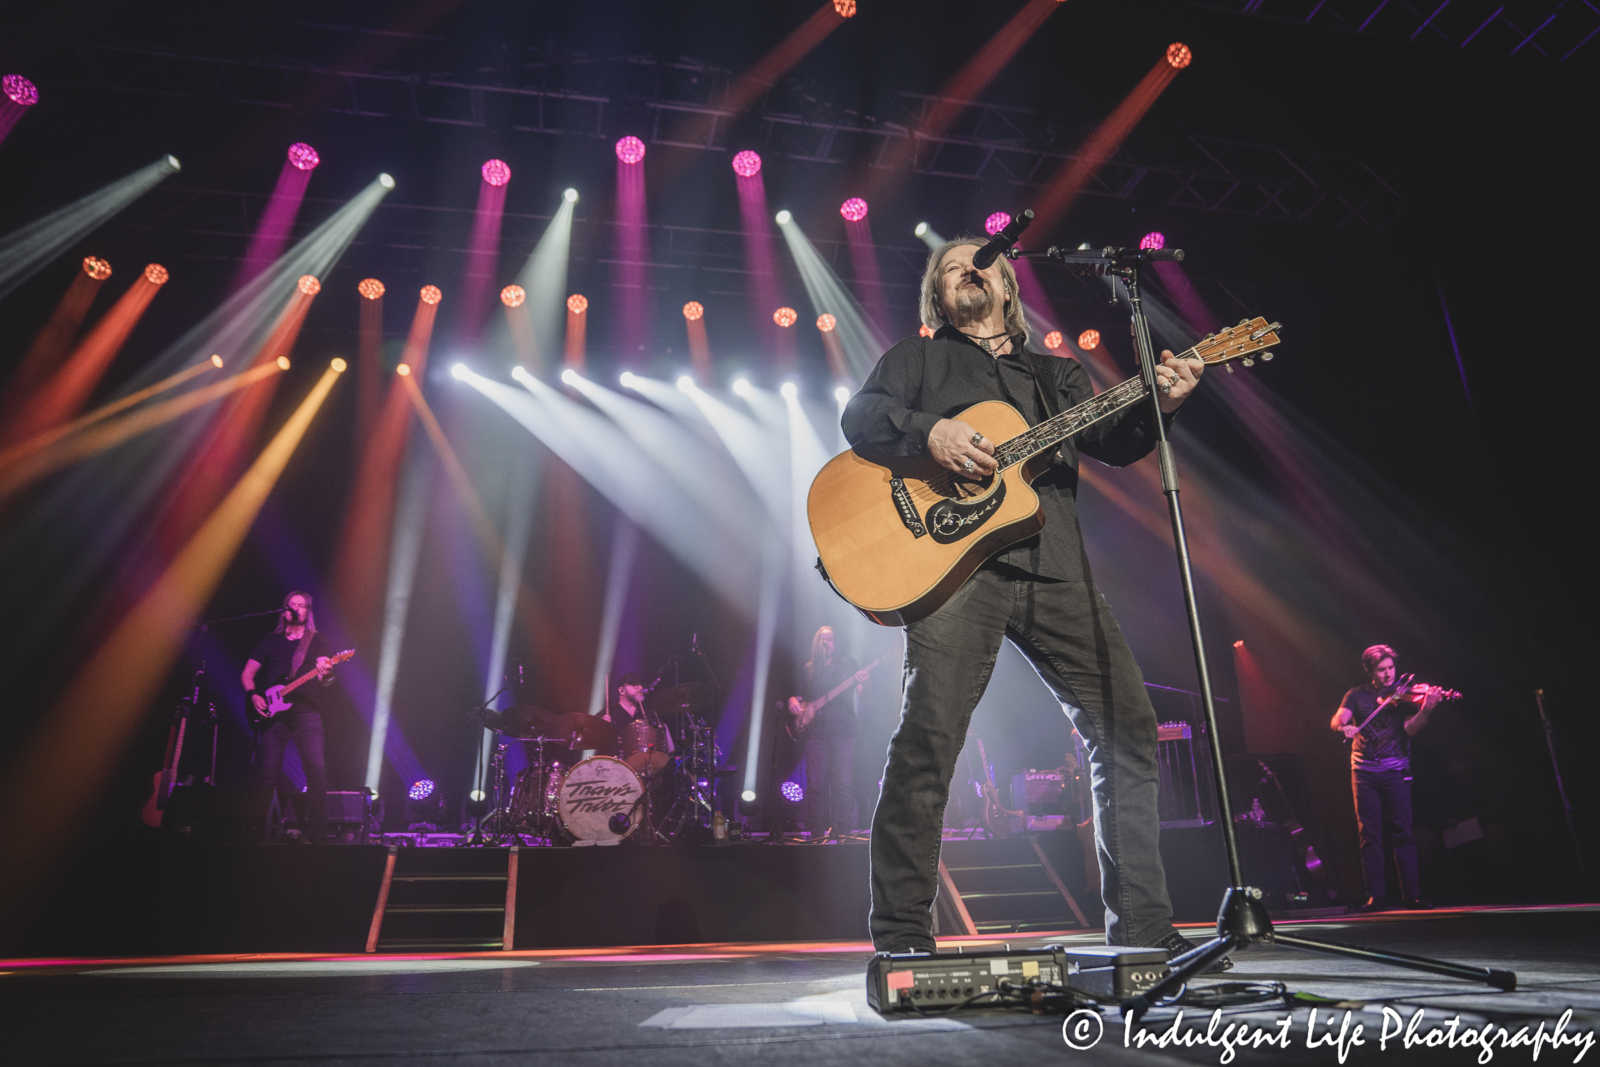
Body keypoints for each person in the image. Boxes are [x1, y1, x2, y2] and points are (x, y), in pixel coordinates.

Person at [842, 235, 1213, 963]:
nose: (964, 273)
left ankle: (1141, 925)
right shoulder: (917, 361)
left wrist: (1162, 403)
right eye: (949, 271)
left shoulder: (1056, 375)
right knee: (928, 741)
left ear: (1008, 286)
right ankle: (903, 935)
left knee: (1129, 733)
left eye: (977, 264)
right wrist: (931, 430)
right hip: (955, 574)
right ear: (939, 296)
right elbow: (861, 419)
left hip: (1056, 569)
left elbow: (1116, 437)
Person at [1331, 644, 1442, 911]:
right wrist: (1344, 726)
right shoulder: (1356, 695)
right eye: (1381, 670)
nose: (1388, 674)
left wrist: (1426, 709)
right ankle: (1375, 896)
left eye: (1391, 668)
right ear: (1370, 670)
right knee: (1368, 834)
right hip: (1364, 771)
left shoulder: (1402, 696)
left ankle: (1411, 895)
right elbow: (1337, 719)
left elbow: (1411, 729)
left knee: (1402, 832)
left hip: (1395, 770)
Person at [241, 591, 337, 843]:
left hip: (307, 713)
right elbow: (247, 674)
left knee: (316, 772)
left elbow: (325, 677)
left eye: (301, 605)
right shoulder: (269, 641)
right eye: (291, 604)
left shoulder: (317, 640)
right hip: (274, 715)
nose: (295, 608)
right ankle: (260, 832)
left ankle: (317, 833)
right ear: (284, 610)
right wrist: (254, 696)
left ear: (308, 612)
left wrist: (326, 672)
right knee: (266, 774)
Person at [792, 626, 870, 836]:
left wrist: (865, 682)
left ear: (837, 642)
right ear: (816, 643)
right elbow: (798, 696)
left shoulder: (848, 664)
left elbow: (864, 696)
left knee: (842, 784)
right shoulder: (808, 669)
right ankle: (816, 831)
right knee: (815, 783)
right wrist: (792, 701)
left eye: (830, 639)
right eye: (821, 639)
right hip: (815, 733)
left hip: (843, 731)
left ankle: (843, 831)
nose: (826, 643)